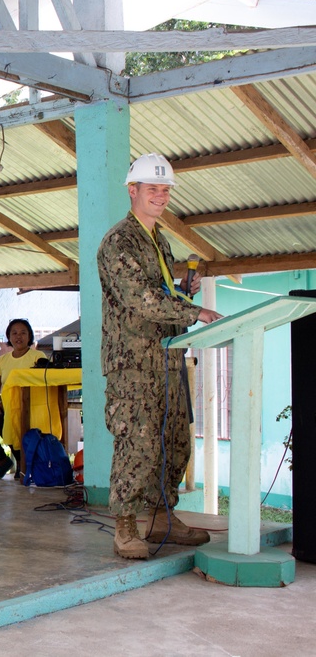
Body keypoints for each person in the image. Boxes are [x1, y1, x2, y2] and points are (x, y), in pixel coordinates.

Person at [97, 153, 222, 560]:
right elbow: (140, 299)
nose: (161, 197)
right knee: (138, 443)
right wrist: (194, 311)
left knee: (173, 441)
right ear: (132, 190)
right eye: (153, 189)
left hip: (166, 360)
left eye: (165, 190)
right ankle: (127, 525)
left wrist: (185, 289)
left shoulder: (159, 241)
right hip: (132, 364)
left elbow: (163, 295)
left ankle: (162, 516)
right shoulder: (119, 241)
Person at [0, 319, 45, 480]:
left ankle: (21, 461)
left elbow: (44, 382)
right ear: (9, 337)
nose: (18, 336)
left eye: (23, 333)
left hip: (30, 404)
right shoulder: (2, 360)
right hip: (6, 403)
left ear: (29, 336)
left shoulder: (37, 356)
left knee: (1, 421)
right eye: (14, 333)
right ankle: (3, 460)